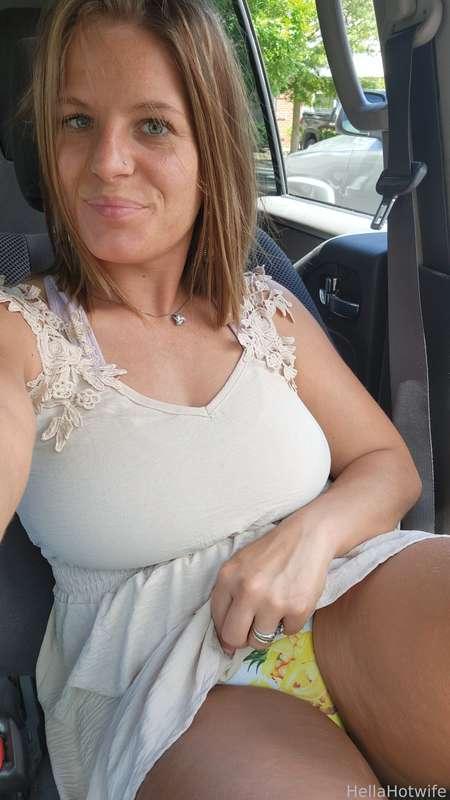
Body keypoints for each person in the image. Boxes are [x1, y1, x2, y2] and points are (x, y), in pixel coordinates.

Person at [0, 1, 449, 798]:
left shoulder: (267, 308)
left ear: (209, 147)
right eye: (76, 122)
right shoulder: (22, 332)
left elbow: (388, 465)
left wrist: (310, 536)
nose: (107, 161)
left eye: (151, 126)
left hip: (343, 588)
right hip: (161, 682)